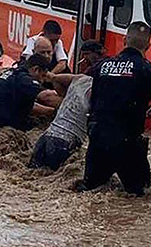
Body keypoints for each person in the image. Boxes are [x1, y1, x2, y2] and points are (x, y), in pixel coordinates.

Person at [78, 22, 151, 196]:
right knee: (140, 196)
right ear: (148, 45)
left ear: (125, 40)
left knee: (90, 191)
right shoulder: (149, 70)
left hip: (98, 139)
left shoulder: (101, 66)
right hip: (128, 143)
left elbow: (80, 90)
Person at [29, 41, 106, 171]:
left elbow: (55, 78)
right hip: (64, 144)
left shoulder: (79, 79)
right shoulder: (99, 91)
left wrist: (55, 82)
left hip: (45, 139)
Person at [0, 54, 62, 150]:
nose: (42, 81)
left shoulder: (14, 73)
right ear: (36, 69)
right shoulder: (24, 80)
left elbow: (28, 106)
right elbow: (47, 97)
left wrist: (51, 112)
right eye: (43, 76)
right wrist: (69, 105)